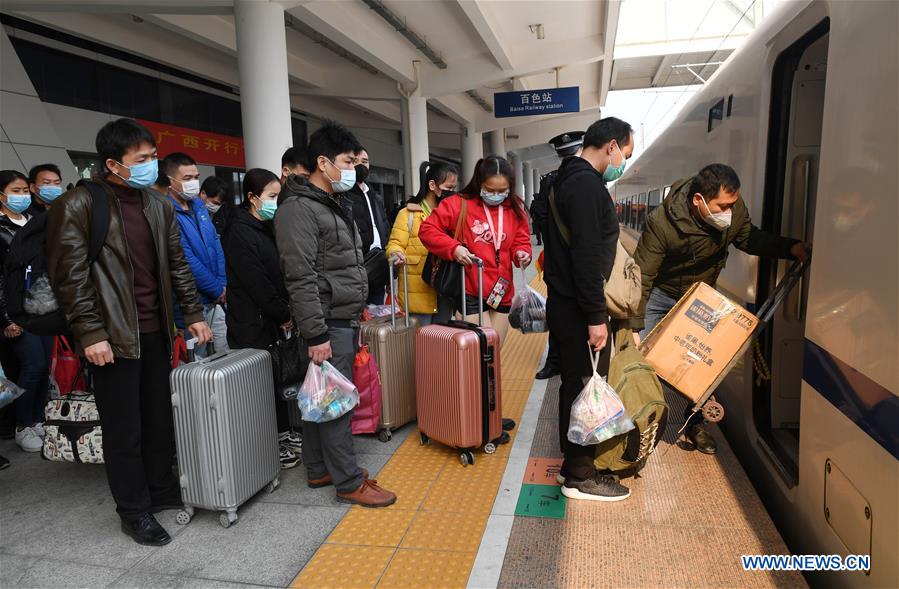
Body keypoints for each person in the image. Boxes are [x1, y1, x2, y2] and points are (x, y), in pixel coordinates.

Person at [46, 118, 212, 545]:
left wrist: (192, 313)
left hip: (156, 331)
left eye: (153, 156)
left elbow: (176, 264)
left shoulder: (157, 204)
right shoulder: (79, 205)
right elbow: (70, 277)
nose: (150, 165)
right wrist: (90, 333)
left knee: (158, 419)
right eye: (141, 159)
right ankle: (133, 510)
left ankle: (161, 488)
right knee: (125, 429)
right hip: (113, 337)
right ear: (112, 164)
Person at [630, 163, 810, 455]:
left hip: (699, 297)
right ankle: (638, 424)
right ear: (698, 200)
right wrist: (634, 324)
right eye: (723, 206)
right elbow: (643, 275)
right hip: (661, 295)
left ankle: (695, 424)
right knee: (642, 361)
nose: (729, 211)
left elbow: (750, 238)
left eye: (733, 204)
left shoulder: (733, 212)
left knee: (703, 364)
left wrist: (790, 248)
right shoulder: (661, 223)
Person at [275, 121, 396, 508]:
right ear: (323, 163)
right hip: (327, 322)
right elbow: (300, 277)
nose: (353, 169)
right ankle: (348, 481)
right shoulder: (299, 210)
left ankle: (318, 468)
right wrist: (316, 335)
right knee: (337, 404)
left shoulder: (330, 203)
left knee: (322, 397)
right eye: (347, 161)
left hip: (339, 316)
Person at [543, 117, 635, 502]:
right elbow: (585, 257)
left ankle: (573, 466)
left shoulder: (564, 179)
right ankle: (581, 476)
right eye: (625, 153)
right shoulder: (586, 187)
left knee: (575, 385)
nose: (623, 162)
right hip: (580, 308)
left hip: (566, 302)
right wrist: (597, 317)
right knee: (585, 387)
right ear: (611, 146)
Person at [220, 168, 302, 470]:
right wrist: (283, 313)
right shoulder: (239, 232)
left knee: (276, 380)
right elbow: (257, 282)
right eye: (271, 196)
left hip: (269, 318)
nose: (276, 202)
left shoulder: (263, 225)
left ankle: (282, 433)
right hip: (252, 322)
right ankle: (268, 443)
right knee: (260, 388)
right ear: (253, 198)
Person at [419, 155, 532, 345]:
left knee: (495, 349)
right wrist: (454, 248)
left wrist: (522, 252)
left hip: (501, 290)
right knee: (480, 350)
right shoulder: (458, 203)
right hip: (470, 288)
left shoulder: (514, 209)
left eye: (502, 191)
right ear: (479, 183)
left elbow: (520, 239)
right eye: (490, 190)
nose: (496, 195)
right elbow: (427, 230)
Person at [0, 170, 51, 454]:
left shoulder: (35, 221)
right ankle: (22, 425)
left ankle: (37, 418)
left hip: (44, 306)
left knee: (43, 366)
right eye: (15, 191)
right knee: (32, 364)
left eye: (24, 191)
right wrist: (7, 317)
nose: (22, 196)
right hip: (17, 310)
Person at [531, 131, 585, 381]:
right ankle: (559, 361)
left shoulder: (555, 181)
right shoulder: (554, 181)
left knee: (566, 313)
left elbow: (541, 216)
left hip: (566, 263)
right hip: (564, 263)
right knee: (560, 315)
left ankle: (567, 361)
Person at [163, 152, 228, 358]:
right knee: (196, 363)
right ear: (170, 181)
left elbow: (216, 245)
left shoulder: (199, 206)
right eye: (187, 178)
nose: (194, 183)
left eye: (196, 177)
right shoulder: (167, 212)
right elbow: (186, 260)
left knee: (223, 357)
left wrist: (222, 283)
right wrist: (217, 289)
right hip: (192, 303)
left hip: (216, 299)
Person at [386, 161, 459, 325]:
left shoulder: (452, 215)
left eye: (454, 188)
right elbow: (395, 243)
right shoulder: (408, 214)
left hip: (444, 289)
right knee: (419, 338)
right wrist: (396, 253)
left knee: (442, 337)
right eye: (448, 188)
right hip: (417, 291)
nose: (452, 193)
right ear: (432, 185)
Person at [346, 147, 390, 305]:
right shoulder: (344, 195)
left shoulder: (375, 195)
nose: (361, 165)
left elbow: (385, 228)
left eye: (364, 161)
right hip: (358, 268)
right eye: (355, 161)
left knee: (376, 312)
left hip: (379, 266)